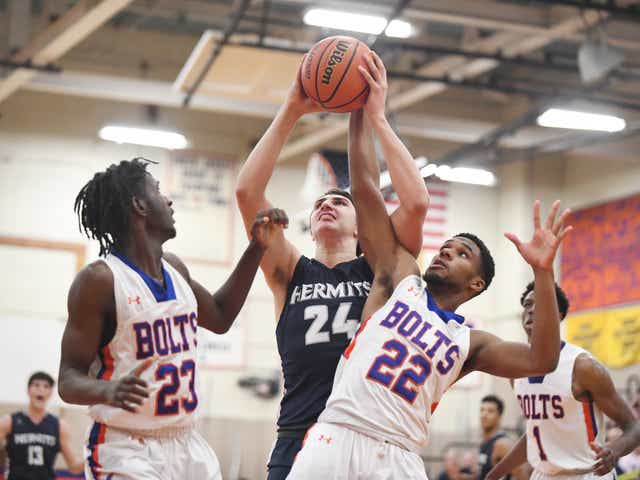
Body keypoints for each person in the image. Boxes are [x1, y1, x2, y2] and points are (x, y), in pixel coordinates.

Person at [287, 52, 572, 478]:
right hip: (337, 435)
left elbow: (542, 360)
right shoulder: (401, 278)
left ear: (475, 284)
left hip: (399, 455)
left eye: (461, 254)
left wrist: (544, 273)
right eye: (446, 246)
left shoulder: (470, 343)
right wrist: (364, 110)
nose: (444, 252)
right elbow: (364, 189)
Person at [235, 52, 428, 479]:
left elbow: (415, 202)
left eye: (340, 201)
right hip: (299, 436)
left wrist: (376, 117)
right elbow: (248, 193)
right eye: (320, 202)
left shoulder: (382, 269)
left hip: (368, 440)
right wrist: (291, 109)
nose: (326, 204)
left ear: (364, 226)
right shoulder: (290, 270)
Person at [58, 158, 287, 480]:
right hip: (125, 446)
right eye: (157, 190)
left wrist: (256, 248)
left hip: (186, 443)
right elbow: (68, 379)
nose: (167, 199)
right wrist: (105, 390)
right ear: (139, 205)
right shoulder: (100, 280)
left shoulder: (175, 270)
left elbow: (220, 317)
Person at [486, 282, 640, 480]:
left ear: (557, 315)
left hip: (586, 474)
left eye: (540, 304)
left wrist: (614, 451)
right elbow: (537, 432)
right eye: (527, 304)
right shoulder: (516, 371)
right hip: (543, 475)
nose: (531, 310)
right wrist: (492, 476)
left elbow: (634, 427)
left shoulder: (583, 367)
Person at [0, 372, 83, 480]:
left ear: (51, 392)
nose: (41, 389)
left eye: (46, 386)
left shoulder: (59, 425)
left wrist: (91, 457)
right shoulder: (10, 421)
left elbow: (73, 467)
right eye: (36, 385)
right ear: (28, 390)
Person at [475, 395, 515, 480]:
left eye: (490, 411)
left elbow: (522, 474)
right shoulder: (484, 442)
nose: (484, 414)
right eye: (482, 410)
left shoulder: (503, 443)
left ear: (500, 417)